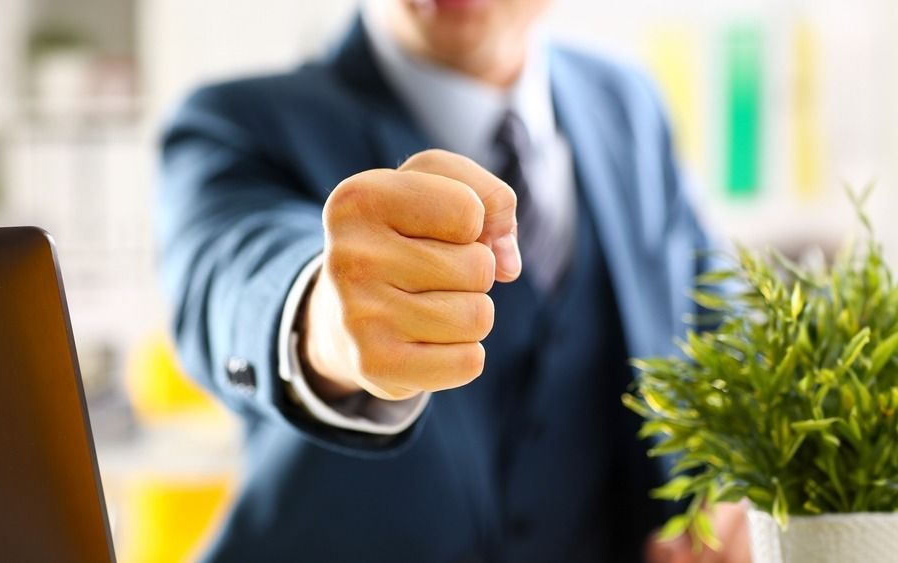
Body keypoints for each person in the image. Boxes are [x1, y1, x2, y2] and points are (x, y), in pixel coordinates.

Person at [157, 0, 750, 561]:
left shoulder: (630, 104)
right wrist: (328, 321)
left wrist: (741, 489)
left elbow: (723, 334)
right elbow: (231, 282)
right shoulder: (236, 122)